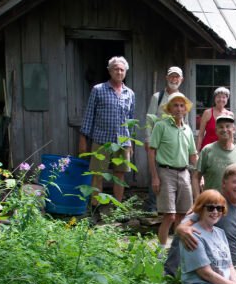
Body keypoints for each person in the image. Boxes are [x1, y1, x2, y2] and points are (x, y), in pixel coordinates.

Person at [78, 56, 134, 208]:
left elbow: (130, 120)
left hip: (122, 142)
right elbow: (89, 115)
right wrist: (83, 139)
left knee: (120, 174)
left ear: (125, 72)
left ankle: (118, 208)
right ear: (109, 71)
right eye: (116, 69)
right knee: (97, 174)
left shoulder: (130, 94)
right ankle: (95, 208)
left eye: (122, 69)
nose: (119, 72)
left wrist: (130, 144)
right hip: (101, 140)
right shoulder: (98, 89)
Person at [148, 92, 198, 246]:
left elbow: (193, 155)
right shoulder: (161, 126)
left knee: (183, 216)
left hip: (184, 174)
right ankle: (161, 252)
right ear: (169, 109)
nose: (179, 108)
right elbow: (151, 151)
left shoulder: (188, 130)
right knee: (169, 216)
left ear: (185, 109)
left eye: (182, 105)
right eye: (175, 105)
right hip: (165, 172)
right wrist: (155, 177)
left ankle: (178, 250)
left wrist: (198, 175)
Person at [194, 115, 236, 225]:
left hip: (234, 206)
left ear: (234, 129)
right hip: (210, 206)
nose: (224, 130)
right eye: (221, 127)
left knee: (232, 239)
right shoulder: (207, 150)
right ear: (216, 130)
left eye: (228, 126)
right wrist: (198, 201)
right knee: (209, 238)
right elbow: (195, 177)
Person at [144, 66, 184, 212]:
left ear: (181, 80)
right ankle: (152, 207)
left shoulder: (182, 98)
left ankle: (169, 207)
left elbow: (183, 121)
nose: (174, 79)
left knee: (170, 174)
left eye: (177, 77)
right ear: (167, 78)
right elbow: (149, 119)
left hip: (173, 143)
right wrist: (148, 139)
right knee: (155, 172)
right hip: (157, 141)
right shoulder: (158, 97)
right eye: (172, 77)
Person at [197, 87, 232, 152]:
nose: (221, 99)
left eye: (224, 97)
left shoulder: (230, 115)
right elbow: (201, 135)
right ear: (215, 99)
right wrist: (197, 151)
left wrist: (231, 150)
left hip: (224, 150)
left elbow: (231, 135)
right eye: (218, 97)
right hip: (208, 150)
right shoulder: (207, 113)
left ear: (227, 99)